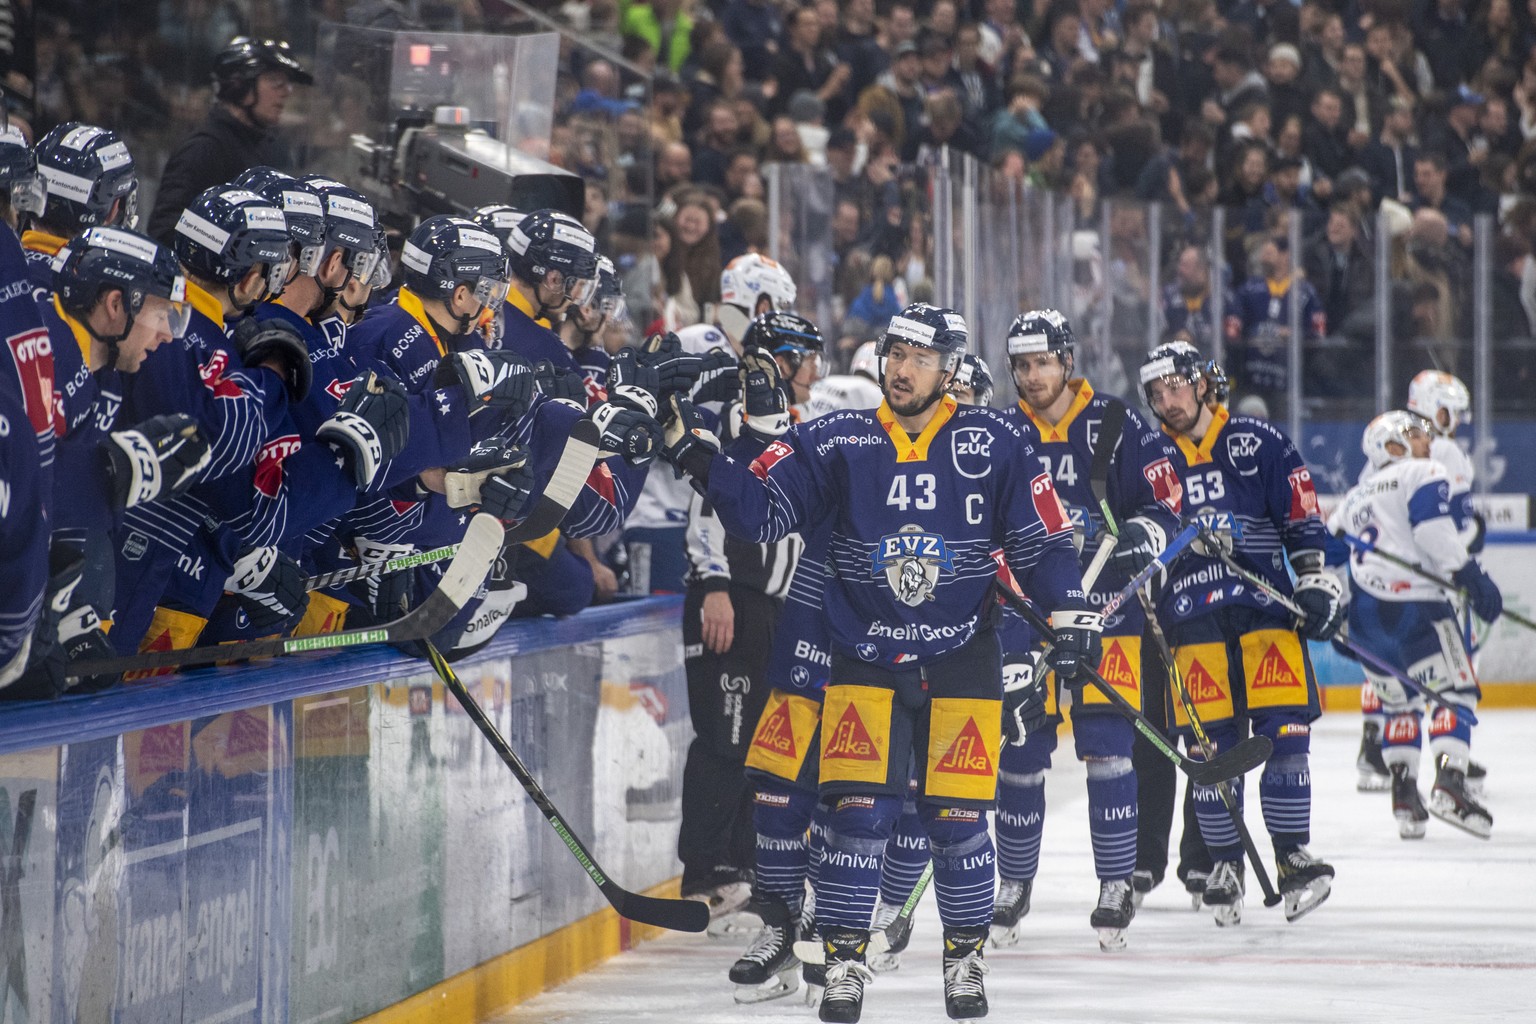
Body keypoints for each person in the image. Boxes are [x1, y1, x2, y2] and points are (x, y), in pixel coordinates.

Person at [662, 302, 1096, 1022]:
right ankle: (841, 966)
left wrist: (1071, 610)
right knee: (857, 815)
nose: (900, 368)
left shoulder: (999, 440)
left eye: (919, 358)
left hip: (961, 658)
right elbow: (761, 512)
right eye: (895, 353)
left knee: (958, 822)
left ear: (949, 370)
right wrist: (691, 448)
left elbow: (1042, 542)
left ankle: (963, 962)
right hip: (863, 657)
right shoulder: (839, 438)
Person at [988, 310, 1183, 952]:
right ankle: (1013, 883)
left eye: (1043, 362)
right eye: (1021, 364)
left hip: (1104, 608)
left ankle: (1114, 882)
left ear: (1067, 361)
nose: (1032, 375)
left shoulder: (1116, 423)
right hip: (1026, 611)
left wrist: (1144, 533)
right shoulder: (999, 430)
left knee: (1106, 744)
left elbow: (1166, 500)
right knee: (1020, 747)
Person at [1138, 341, 1342, 926]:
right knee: (1211, 749)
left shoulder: (1257, 441)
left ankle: (1291, 855)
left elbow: (1301, 515)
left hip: (1265, 612)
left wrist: (1311, 580)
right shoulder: (1151, 456)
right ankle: (1225, 862)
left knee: (1286, 733)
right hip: (1190, 620)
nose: (1166, 401)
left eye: (1176, 387)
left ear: (1203, 383)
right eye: (1156, 393)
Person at [679, 312, 823, 922]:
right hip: (730, 597)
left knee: (760, 743)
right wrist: (714, 584)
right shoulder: (735, 419)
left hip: (770, 607)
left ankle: (742, 865)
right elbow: (707, 503)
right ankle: (706, 873)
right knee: (724, 738)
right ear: (779, 359)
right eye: (805, 356)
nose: (814, 369)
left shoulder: (790, 424)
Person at [1326, 411, 1500, 838]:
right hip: (1419, 608)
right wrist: (1469, 575)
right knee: (1454, 691)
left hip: (1366, 619)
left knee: (1398, 705)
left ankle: (1404, 795)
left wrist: (1340, 612)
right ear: (1392, 447)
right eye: (1417, 434)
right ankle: (1450, 784)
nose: (1427, 440)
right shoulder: (1422, 471)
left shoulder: (1353, 497)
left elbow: (1324, 557)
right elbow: (1433, 533)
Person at [1355, 370, 1488, 791]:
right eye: (1451, 411)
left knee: (1390, 676)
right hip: (1426, 585)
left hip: (1372, 590)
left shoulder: (1385, 442)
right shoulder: (1442, 452)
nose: (1453, 423)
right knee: (1453, 680)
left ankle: (1375, 749)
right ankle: (1450, 765)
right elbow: (1448, 525)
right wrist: (1466, 556)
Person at [147, 37, 313, 244]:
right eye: (275, 81)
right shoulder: (205, 148)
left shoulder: (258, 143)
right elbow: (164, 231)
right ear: (240, 85)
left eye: (287, 83)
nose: (287, 91)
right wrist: (227, 251)